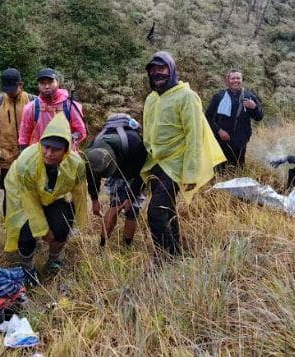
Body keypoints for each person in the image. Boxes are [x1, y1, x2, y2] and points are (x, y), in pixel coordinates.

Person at [141, 51, 226, 257]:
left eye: (161, 68)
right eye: (153, 69)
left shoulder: (187, 96)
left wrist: (190, 173)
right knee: (168, 209)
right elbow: (148, 131)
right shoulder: (151, 98)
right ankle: (176, 253)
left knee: (155, 213)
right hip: (156, 163)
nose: (156, 73)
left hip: (176, 164)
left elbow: (194, 136)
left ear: (171, 69)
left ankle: (166, 258)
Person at [4, 113, 87, 284]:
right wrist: (43, 230)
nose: (48, 153)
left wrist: (79, 221)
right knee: (26, 230)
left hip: (54, 195)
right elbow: (30, 201)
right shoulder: (27, 162)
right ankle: (27, 269)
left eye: (55, 149)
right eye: (46, 147)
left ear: (66, 150)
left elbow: (79, 192)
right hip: (22, 194)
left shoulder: (76, 164)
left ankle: (53, 260)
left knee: (62, 226)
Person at [84, 113, 147, 247]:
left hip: (133, 169)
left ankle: (126, 246)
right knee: (115, 206)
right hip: (117, 166)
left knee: (131, 209)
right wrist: (94, 200)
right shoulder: (92, 151)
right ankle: (102, 246)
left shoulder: (135, 143)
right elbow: (92, 175)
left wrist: (130, 197)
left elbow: (141, 174)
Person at [0, 68, 35, 214]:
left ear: (20, 85)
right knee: (9, 194)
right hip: (7, 157)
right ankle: (10, 229)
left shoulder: (34, 101)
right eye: (6, 89)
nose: (9, 92)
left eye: (13, 88)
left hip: (29, 158)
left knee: (30, 193)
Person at [205, 69, 263, 168]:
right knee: (221, 170)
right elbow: (208, 118)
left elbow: (259, 117)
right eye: (233, 78)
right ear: (227, 81)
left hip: (240, 142)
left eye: (238, 78)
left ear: (242, 80)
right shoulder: (219, 97)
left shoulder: (249, 97)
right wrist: (219, 130)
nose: (235, 80)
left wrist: (254, 107)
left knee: (238, 169)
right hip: (221, 141)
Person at [18, 68, 87, 151]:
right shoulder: (30, 108)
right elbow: (24, 135)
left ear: (57, 82)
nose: (47, 86)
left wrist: (71, 137)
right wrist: (24, 154)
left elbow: (81, 131)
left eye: (50, 82)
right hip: (39, 155)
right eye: (42, 83)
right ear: (38, 85)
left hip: (65, 154)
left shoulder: (70, 106)